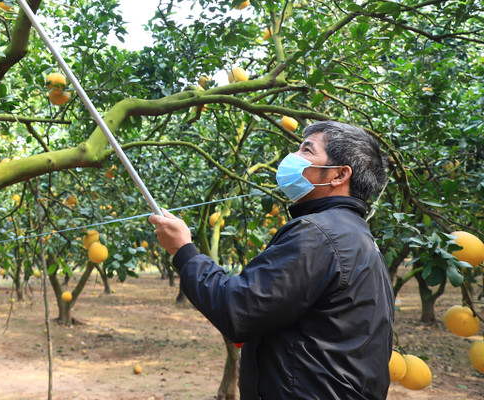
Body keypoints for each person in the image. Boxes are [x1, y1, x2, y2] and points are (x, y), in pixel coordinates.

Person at [149, 120, 394, 400]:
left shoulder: (319, 235)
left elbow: (238, 309)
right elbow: (317, 326)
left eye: (307, 150)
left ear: (339, 174)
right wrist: (261, 359)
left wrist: (184, 251)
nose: (293, 157)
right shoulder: (357, 236)